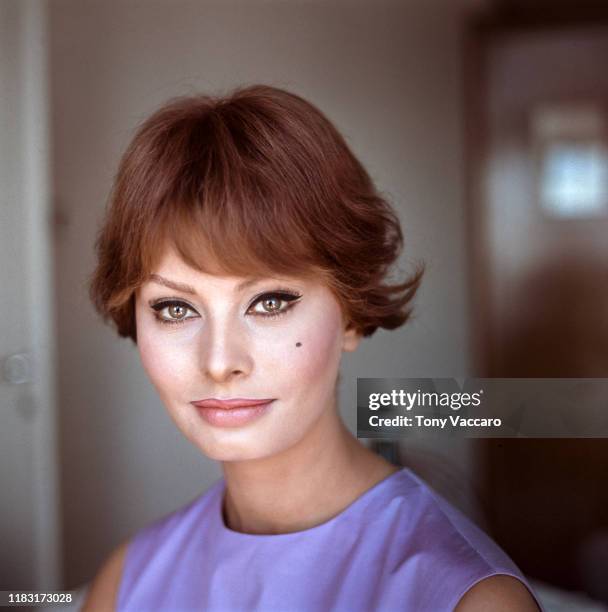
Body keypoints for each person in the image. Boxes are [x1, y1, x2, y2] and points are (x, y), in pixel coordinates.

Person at [83, 84, 542, 611]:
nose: (219, 361)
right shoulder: (125, 584)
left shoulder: (472, 600)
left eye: (270, 302)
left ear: (351, 312)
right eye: (175, 309)